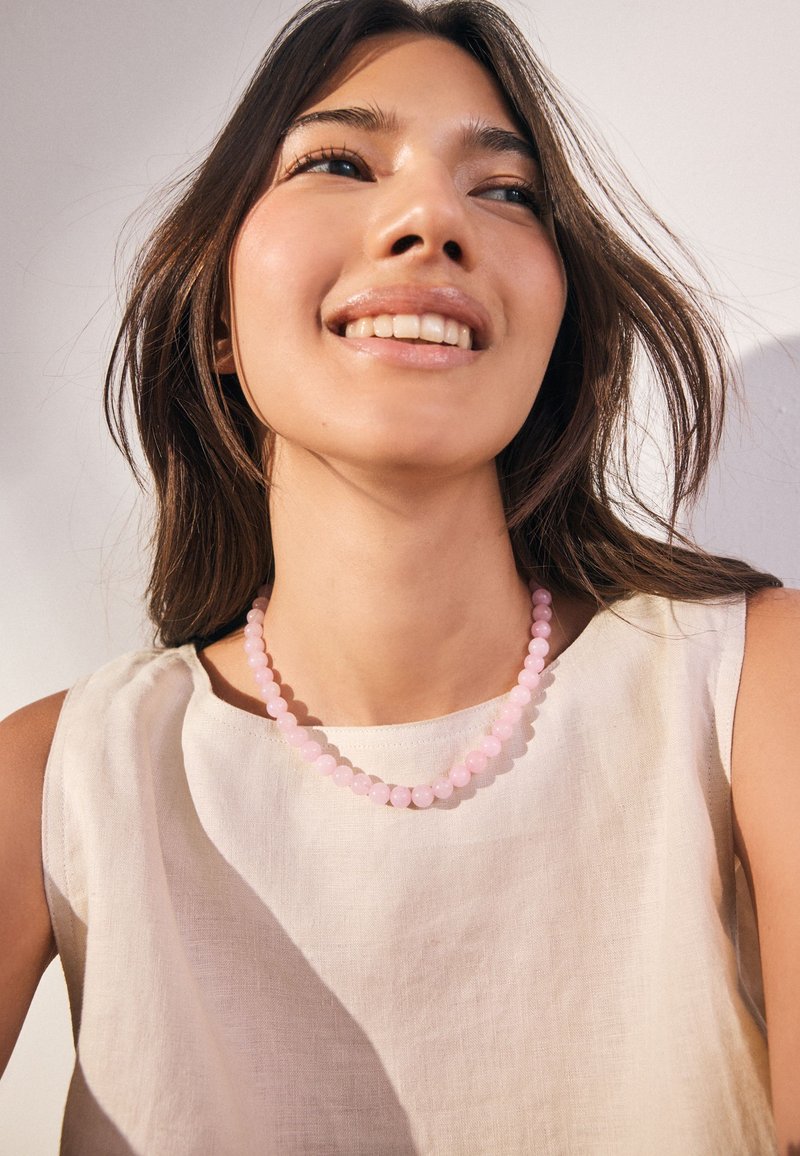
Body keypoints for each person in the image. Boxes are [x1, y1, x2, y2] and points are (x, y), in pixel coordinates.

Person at [2, 0, 798, 1150]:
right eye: (337, 160)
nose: (431, 217)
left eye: (504, 189)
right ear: (215, 311)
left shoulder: (752, 694)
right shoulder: (57, 779)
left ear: (554, 326)